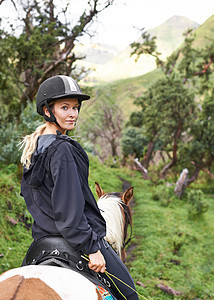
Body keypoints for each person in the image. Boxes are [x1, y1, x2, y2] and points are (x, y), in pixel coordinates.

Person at [20, 75, 139, 300]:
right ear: (47, 110)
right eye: (64, 107)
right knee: (130, 294)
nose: (72, 114)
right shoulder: (62, 150)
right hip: (73, 238)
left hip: (41, 241)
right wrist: (92, 248)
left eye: (75, 107)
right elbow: (68, 210)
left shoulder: (35, 148)